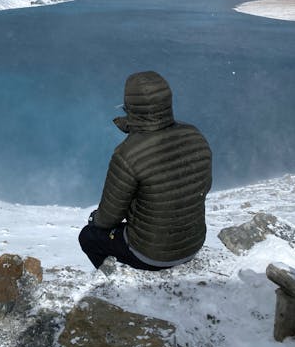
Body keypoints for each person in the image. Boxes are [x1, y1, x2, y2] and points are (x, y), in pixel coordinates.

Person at [79, 71, 212, 272]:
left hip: (151, 255)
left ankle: (115, 280)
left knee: (88, 236)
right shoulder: (195, 135)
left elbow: (109, 218)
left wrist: (94, 219)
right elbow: (204, 187)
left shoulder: (128, 153)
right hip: (192, 245)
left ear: (130, 107)